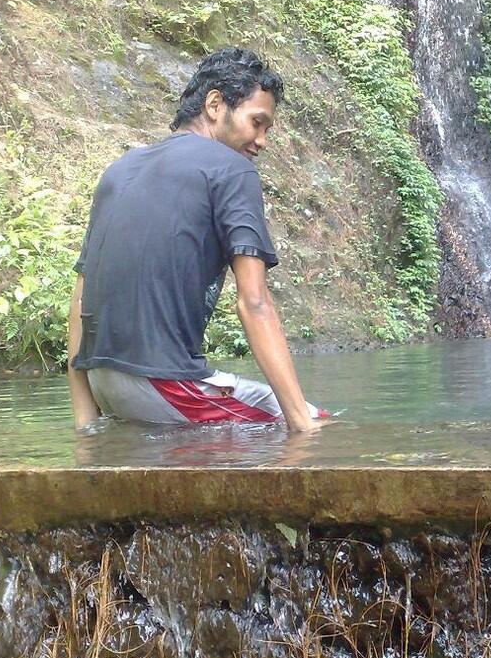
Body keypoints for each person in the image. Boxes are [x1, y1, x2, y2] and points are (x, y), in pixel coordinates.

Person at [67, 47, 325, 432]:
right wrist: (302, 423)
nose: (262, 141)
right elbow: (254, 302)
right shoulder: (232, 171)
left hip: (103, 384)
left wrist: (85, 422)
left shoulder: (120, 170)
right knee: (315, 429)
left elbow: (80, 299)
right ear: (215, 104)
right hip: (168, 384)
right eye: (257, 122)